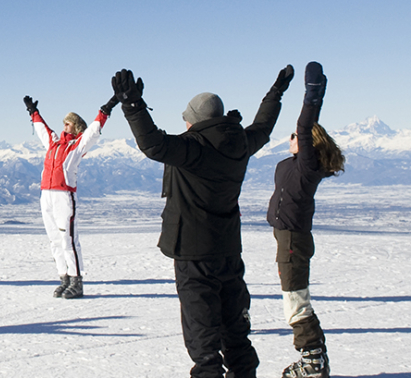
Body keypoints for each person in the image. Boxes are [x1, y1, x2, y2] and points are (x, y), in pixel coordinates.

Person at [111, 65, 293, 378]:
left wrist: (132, 105)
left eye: (187, 117)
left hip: (194, 256)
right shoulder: (239, 143)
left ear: (195, 118)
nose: (184, 121)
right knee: (235, 332)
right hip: (228, 252)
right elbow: (263, 127)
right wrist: (275, 93)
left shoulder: (195, 148)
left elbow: (153, 144)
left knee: (203, 340)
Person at [267, 62, 344, 378]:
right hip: (288, 238)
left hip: (293, 240)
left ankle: (313, 361)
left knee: (295, 302)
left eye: (296, 136)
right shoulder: (294, 163)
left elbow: (303, 126)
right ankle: (315, 359)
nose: (292, 137)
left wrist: (313, 96)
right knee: (294, 299)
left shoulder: (307, 167)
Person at [23, 94, 117, 299]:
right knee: (54, 239)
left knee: (68, 239)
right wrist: (33, 112)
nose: (64, 126)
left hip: (64, 196)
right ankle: (63, 277)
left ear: (76, 127)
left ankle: (76, 280)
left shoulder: (76, 147)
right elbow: (42, 130)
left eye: (69, 123)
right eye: (64, 123)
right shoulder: (53, 144)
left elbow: (93, 132)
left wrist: (106, 109)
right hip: (46, 195)